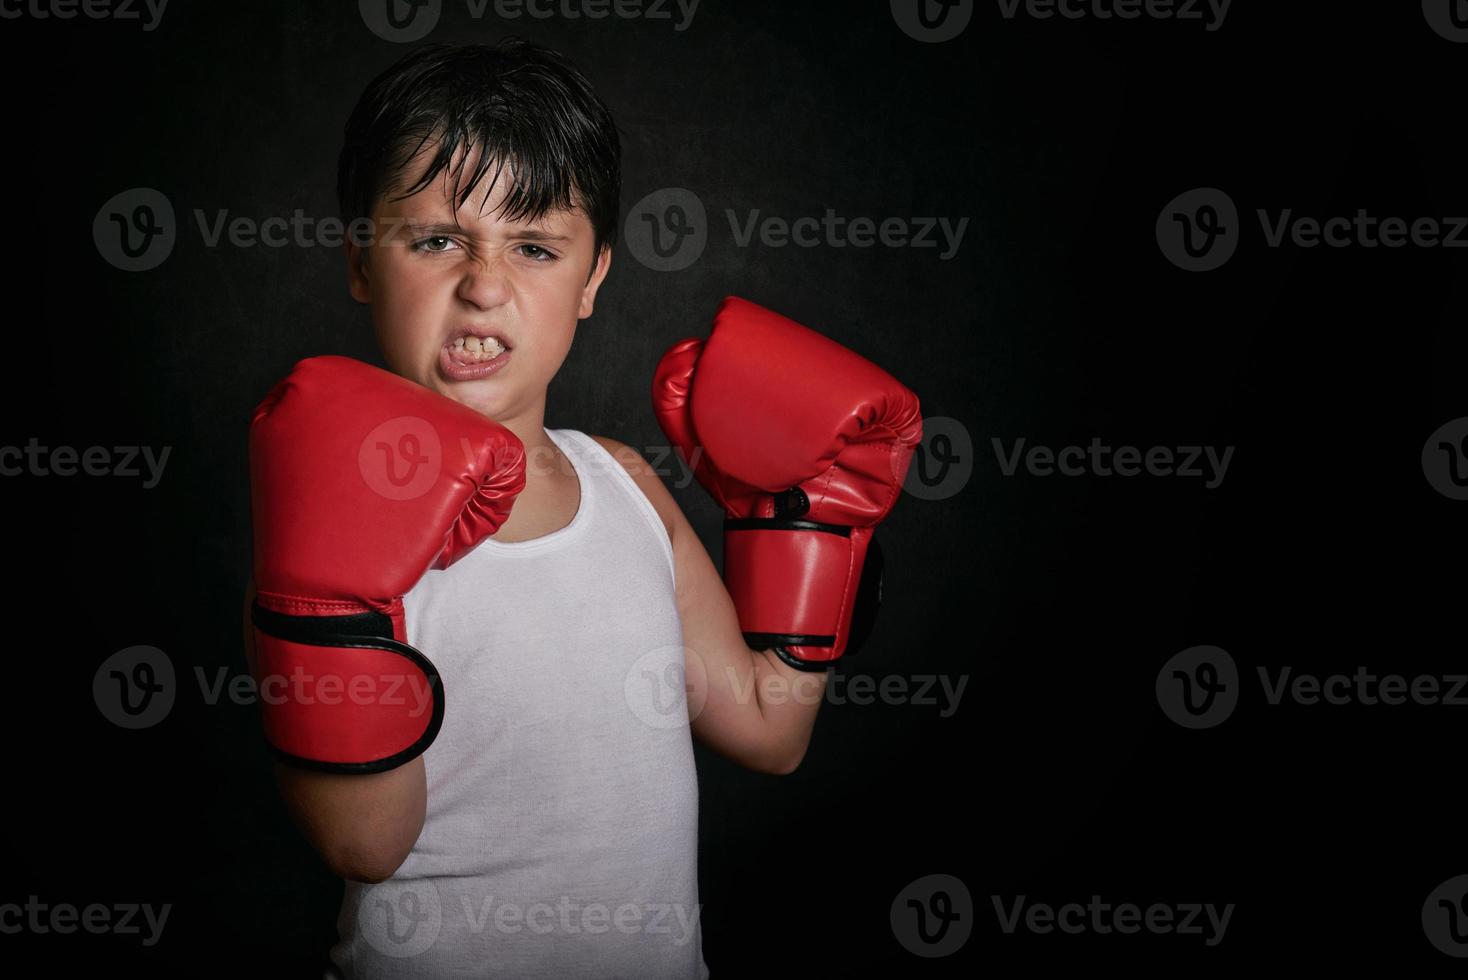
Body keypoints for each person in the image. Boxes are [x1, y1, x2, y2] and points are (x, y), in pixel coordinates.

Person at [243, 37, 920, 979]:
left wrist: (810, 523)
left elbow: (771, 731)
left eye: (533, 247)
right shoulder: (319, 529)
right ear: (361, 260)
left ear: (594, 276)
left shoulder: (627, 486)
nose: (483, 286)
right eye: (436, 239)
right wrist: (332, 609)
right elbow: (367, 847)